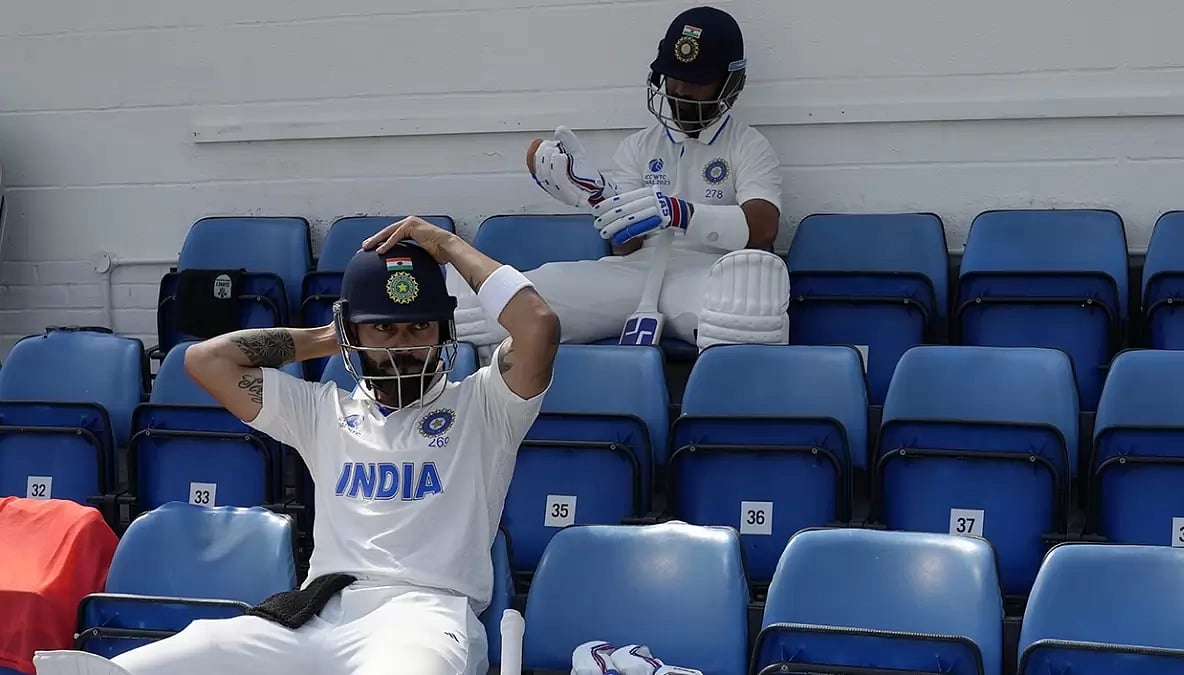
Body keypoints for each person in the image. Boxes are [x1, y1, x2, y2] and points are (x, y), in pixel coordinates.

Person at [33, 217, 560, 675]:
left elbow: (537, 324)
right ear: (355, 334)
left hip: (426, 615)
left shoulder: (486, 406)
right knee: (172, 656)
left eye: (419, 326)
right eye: (385, 329)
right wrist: (331, 335)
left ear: (444, 331)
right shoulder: (322, 410)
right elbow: (205, 362)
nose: (404, 344)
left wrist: (444, 245)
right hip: (319, 609)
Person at [449, 5, 790, 357]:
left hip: (708, 273)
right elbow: (626, 247)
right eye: (674, 77)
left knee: (744, 311)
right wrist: (597, 198)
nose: (681, 90)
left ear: (730, 83)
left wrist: (682, 214)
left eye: (697, 81)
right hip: (634, 273)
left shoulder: (748, 146)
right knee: (493, 310)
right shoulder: (637, 147)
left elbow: (763, 229)